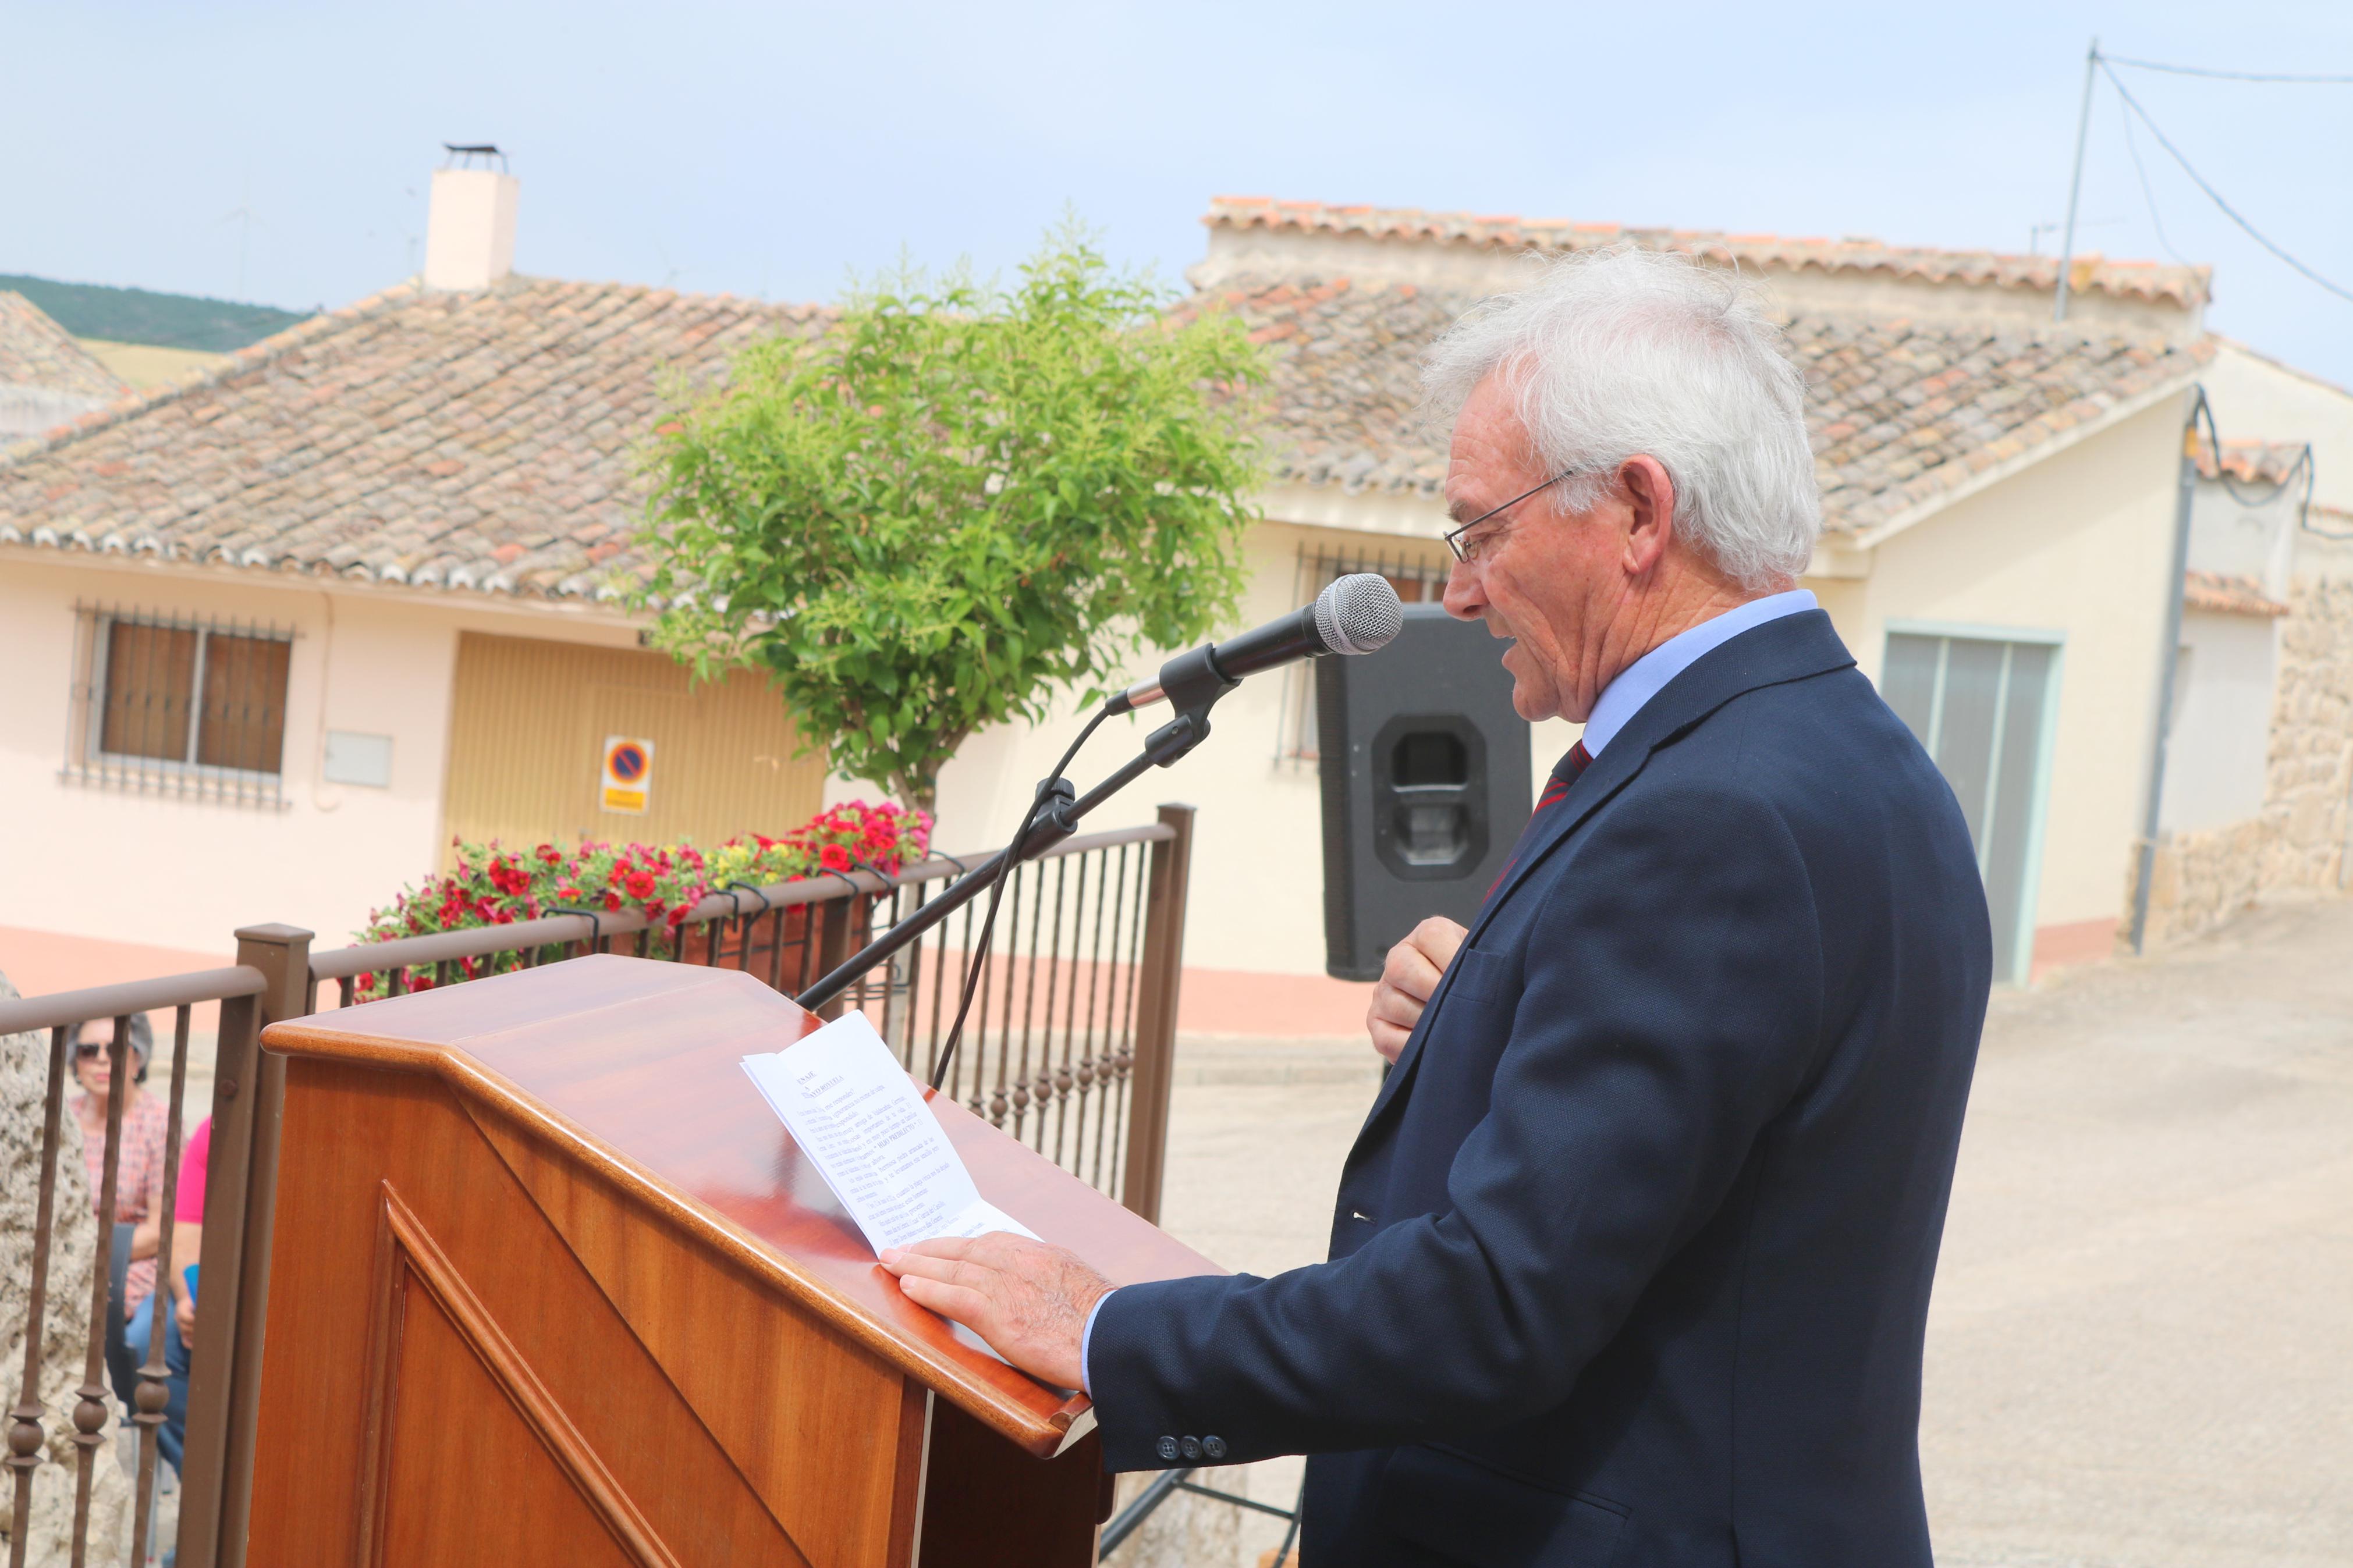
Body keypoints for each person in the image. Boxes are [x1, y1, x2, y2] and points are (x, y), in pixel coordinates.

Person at [881, 247, 1993, 1566]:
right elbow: (1713, 1156)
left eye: (1481, 532)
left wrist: (1107, 1333)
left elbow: (1498, 1303)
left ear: (1638, 510)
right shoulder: (1849, 760)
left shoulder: (1711, 814)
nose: (1457, 592)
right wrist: (1491, 1012)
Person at [69, 1014, 170, 1321]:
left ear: (137, 1061)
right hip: (66, 1256)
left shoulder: (160, 1123)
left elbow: (159, 1232)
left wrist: (82, 1252)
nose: (102, 1060)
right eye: (88, 1051)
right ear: (75, 1062)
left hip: (134, 1262)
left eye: (115, 1049)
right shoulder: (61, 1118)